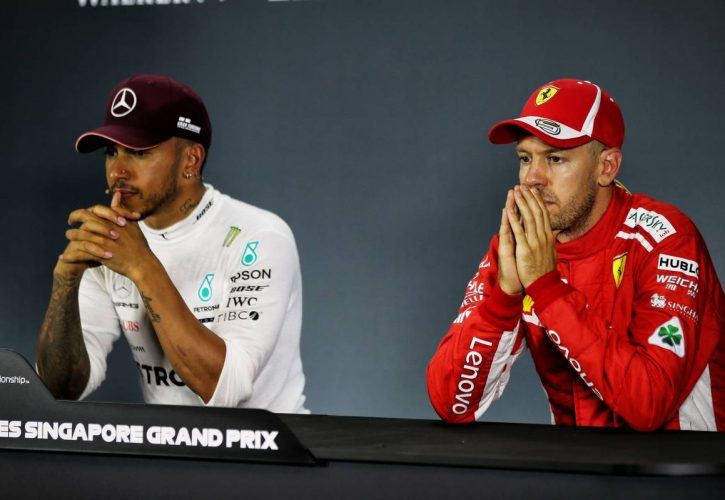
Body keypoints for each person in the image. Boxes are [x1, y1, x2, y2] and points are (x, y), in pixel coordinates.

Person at [427, 78, 724, 431]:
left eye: (555, 158)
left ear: (606, 167)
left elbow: (649, 403)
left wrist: (545, 286)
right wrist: (504, 298)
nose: (533, 178)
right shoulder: (523, 244)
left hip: (680, 461)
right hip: (576, 461)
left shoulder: (665, 238)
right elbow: (451, 404)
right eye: (525, 158)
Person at [36, 74, 308, 413]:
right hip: (170, 443)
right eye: (111, 152)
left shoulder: (260, 236)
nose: (117, 171)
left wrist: (142, 266)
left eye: (139, 152)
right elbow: (62, 389)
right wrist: (65, 282)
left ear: (191, 160)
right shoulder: (113, 241)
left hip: (269, 443)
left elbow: (225, 388)